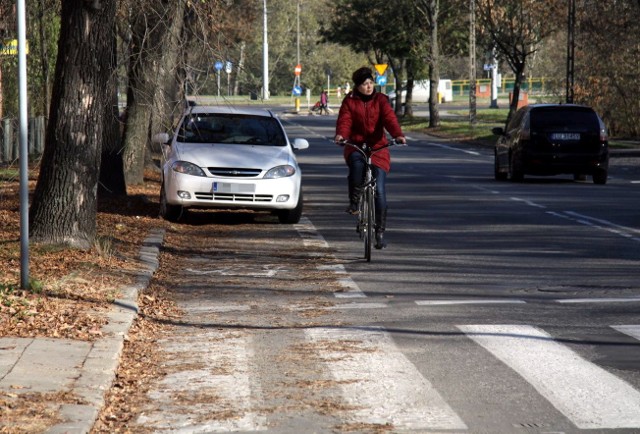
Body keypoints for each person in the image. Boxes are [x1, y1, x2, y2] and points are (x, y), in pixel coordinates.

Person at [334, 66, 406, 249]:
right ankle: (355, 202)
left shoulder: (381, 100)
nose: (368, 86)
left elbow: (389, 118)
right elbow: (345, 120)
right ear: (357, 86)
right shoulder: (349, 101)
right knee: (356, 168)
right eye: (364, 84)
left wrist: (397, 134)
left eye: (370, 83)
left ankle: (379, 232)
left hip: (378, 147)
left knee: (380, 191)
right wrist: (341, 135)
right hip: (356, 145)